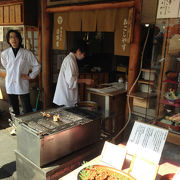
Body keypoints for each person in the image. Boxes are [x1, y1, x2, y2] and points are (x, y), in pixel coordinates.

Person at [1, 29, 41, 116]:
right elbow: (6, 65)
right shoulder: (5, 53)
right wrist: (13, 72)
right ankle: (15, 126)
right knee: (13, 109)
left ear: (19, 39)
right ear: (8, 40)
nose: (13, 39)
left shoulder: (27, 53)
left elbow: (37, 65)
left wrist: (30, 76)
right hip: (10, 83)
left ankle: (27, 126)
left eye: (15, 37)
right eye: (11, 37)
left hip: (22, 82)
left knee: (27, 109)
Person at [53, 42, 94, 107]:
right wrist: (85, 80)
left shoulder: (72, 59)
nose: (83, 56)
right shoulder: (70, 60)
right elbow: (70, 81)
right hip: (65, 98)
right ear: (78, 51)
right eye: (83, 53)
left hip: (68, 96)